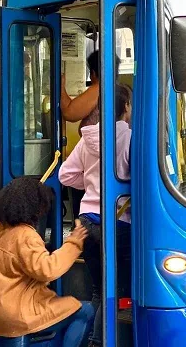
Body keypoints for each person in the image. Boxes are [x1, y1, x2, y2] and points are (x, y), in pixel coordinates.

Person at [58, 84, 132, 347]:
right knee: (117, 292)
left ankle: (90, 340)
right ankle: (100, 342)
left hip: (87, 221)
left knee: (99, 291)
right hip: (119, 223)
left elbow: (65, 175)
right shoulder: (131, 137)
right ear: (126, 107)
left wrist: (90, 185)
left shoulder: (87, 138)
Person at [0, 177, 93, 347]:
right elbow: (48, 270)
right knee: (84, 310)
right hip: (18, 317)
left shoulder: (0, 227)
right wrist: (74, 242)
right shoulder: (25, 235)